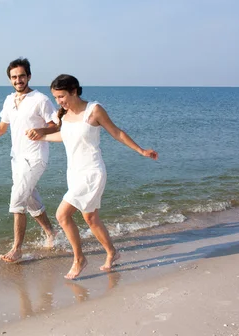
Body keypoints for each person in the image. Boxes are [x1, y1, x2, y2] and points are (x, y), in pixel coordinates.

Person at [30, 74, 158, 279]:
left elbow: (116, 132)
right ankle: (112, 252)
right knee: (91, 218)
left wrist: (141, 150)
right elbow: (65, 136)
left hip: (92, 172)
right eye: (55, 97)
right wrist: (41, 137)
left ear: (74, 91)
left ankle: (79, 259)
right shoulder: (63, 114)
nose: (59, 102)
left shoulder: (94, 110)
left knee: (62, 215)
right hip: (74, 173)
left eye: (62, 96)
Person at [0, 58, 58, 263]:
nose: (18, 80)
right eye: (14, 77)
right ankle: (51, 233)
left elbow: (56, 124)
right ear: (10, 79)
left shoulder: (40, 99)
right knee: (30, 199)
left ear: (29, 76)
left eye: (21, 76)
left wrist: (41, 130)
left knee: (17, 199)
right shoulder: (9, 100)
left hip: (36, 157)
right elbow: (2, 128)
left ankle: (17, 249)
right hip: (17, 159)